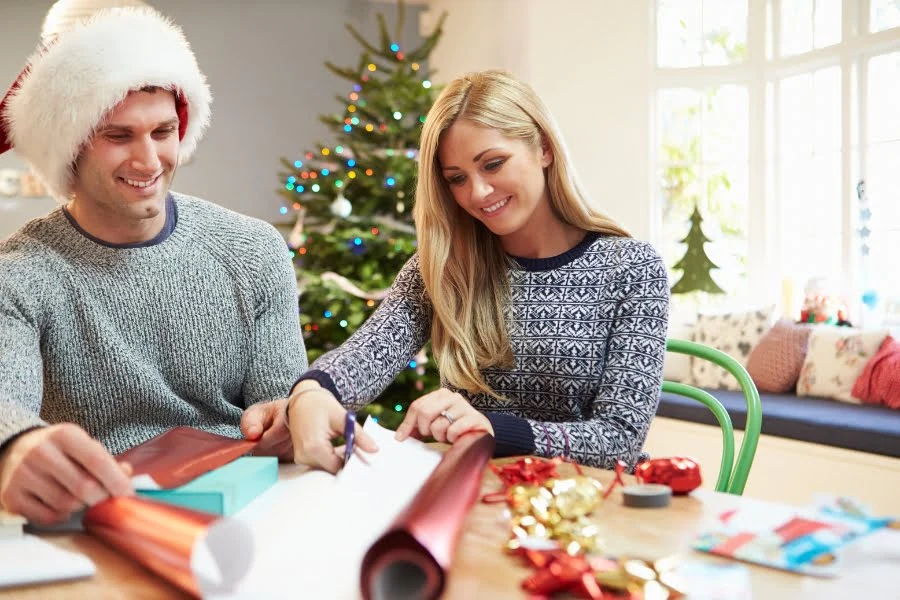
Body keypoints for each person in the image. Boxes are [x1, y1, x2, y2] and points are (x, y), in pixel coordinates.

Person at [0, 7, 306, 525]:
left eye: (163, 131)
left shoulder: (255, 250)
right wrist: (14, 444)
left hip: (250, 513)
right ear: (70, 148)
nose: (149, 161)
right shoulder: (20, 274)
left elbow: (284, 401)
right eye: (118, 137)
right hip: (104, 520)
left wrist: (288, 417)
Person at [285, 70, 669, 473]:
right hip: (476, 496)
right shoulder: (444, 267)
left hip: (590, 506)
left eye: (493, 164)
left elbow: (620, 440)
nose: (478, 193)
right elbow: (368, 354)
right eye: (457, 179)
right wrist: (311, 391)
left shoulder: (631, 268)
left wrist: (493, 429)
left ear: (543, 148)